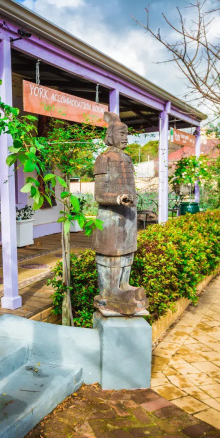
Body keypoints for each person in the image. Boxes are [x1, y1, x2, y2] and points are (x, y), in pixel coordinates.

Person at [93, 112, 148, 315]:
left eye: (126, 134)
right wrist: (118, 198)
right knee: (112, 255)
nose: (125, 137)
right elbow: (99, 194)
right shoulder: (103, 159)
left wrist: (131, 200)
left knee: (127, 254)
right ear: (110, 136)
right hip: (111, 218)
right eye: (121, 133)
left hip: (128, 217)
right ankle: (109, 293)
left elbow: (131, 187)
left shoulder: (128, 159)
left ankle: (123, 286)